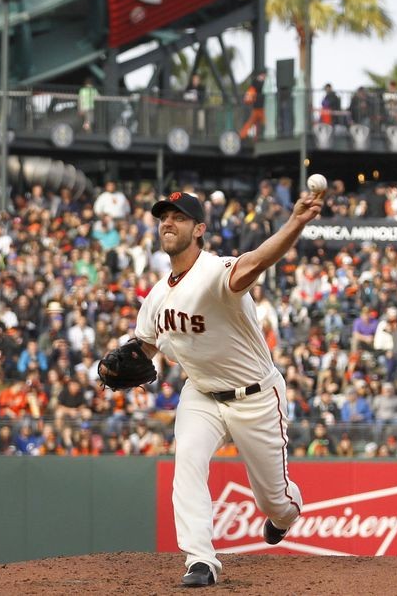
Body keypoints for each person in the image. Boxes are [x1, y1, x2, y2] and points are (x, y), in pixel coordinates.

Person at [130, 188, 319, 587]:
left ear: (199, 229)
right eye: (164, 216)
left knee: (275, 502)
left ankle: (287, 512)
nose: (168, 222)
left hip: (255, 396)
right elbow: (144, 345)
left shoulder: (214, 272)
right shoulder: (157, 295)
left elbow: (258, 260)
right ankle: (200, 560)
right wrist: (123, 360)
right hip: (201, 393)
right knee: (187, 463)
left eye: (179, 217)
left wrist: (296, 222)